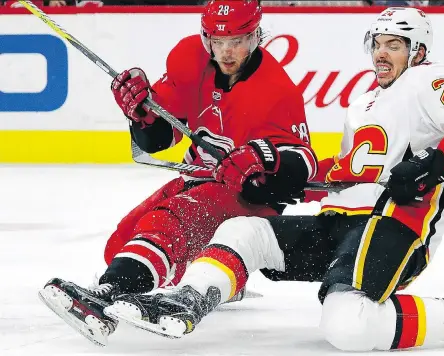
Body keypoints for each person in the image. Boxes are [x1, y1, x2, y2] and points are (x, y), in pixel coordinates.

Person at [104, 7, 444, 351]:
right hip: (339, 220)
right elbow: (345, 171)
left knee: (348, 326)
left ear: (418, 52)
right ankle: (188, 299)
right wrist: (271, 172)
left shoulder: (429, 79)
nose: (381, 54)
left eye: (395, 45)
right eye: (377, 45)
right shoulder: (366, 103)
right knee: (242, 229)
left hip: (390, 224)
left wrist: (436, 162)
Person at [38, 0, 317, 347]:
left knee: (173, 220)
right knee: (121, 245)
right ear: (205, 38)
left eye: (239, 41)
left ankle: (107, 295)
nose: (227, 52)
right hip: (197, 180)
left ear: (257, 36)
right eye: (218, 42)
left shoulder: (277, 90)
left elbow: (304, 160)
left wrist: (263, 158)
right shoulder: (189, 58)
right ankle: (220, 278)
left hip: (246, 197)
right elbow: (161, 136)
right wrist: (142, 114)